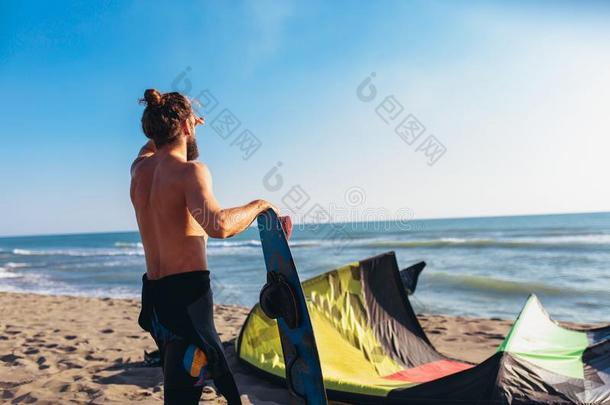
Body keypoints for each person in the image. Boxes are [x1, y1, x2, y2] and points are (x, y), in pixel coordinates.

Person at [130, 88, 276, 405]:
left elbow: (149, 147)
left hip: (156, 302)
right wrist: (260, 205)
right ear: (185, 126)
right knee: (184, 394)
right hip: (187, 302)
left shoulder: (139, 171)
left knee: (186, 382)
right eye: (192, 125)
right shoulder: (190, 172)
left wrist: (179, 123)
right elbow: (219, 225)